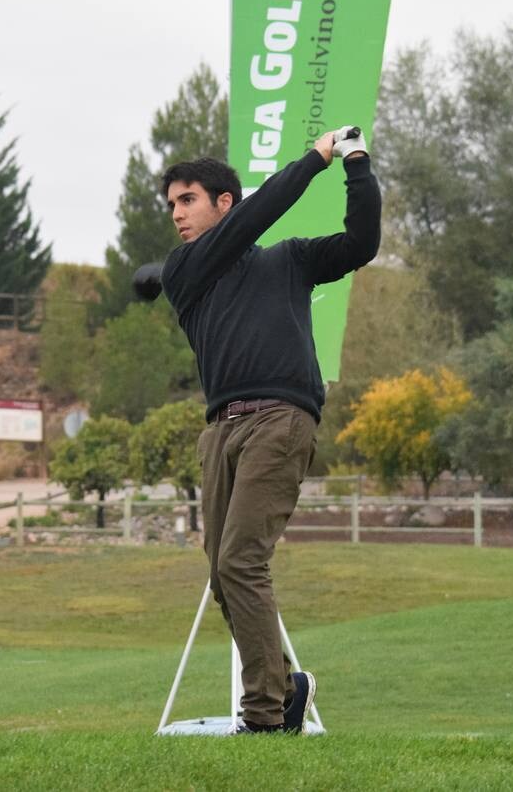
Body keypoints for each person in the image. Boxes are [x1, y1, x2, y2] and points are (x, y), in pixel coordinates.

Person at [156, 126, 380, 734]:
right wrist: (315, 157)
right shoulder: (185, 271)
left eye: (187, 199)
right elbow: (259, 215)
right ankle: (286, 688)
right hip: (220, 433)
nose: (176, 214)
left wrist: (353, 164)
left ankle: (262, 718)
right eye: (172, 204)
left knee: (240, 562)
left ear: (223, 202)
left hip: (281, 420)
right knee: (223, 574)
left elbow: (362, 242)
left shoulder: (292, 260)